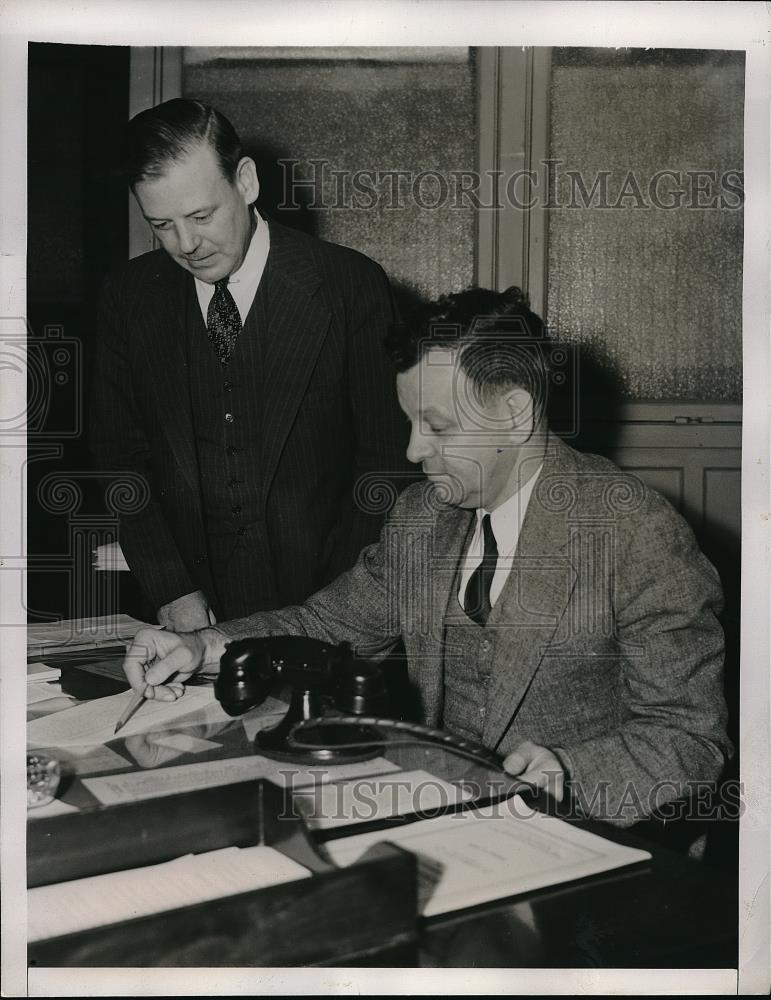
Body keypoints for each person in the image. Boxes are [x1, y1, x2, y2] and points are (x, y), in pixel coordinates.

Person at [121, 287, 731, 824]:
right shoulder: (423, 518)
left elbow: (690, 736)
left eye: (436, 426)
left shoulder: (635, 532)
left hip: (580, 837)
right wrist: (201, 646)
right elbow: (322, 626)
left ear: (514, 412)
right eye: (410, 422)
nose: (414, 450)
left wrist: (568, 773)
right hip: (445, 816)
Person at [91, 98, 409, 629]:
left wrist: (336, 609)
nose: (186, 244)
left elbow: (385, 464)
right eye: (161, 224)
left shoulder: (350, 285)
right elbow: (120, 457)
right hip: (189, 615)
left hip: (328, 606)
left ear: (246, 182)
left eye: (200, 216)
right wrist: (171, 588)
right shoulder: (129, 296)